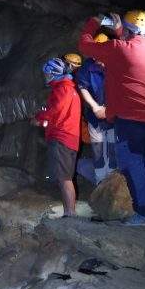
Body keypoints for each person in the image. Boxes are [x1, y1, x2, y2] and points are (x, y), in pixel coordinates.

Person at [79, 10, 145, 226]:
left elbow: (85, 46)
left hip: (131, 119)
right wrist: (120, 31)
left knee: (132, 164)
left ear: (128, 30)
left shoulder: (118, 48)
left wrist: (94, 21)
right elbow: (130, 47)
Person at [32, 58, 82, 217]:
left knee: (64, 178)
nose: (45, 76)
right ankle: (69, 212)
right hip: (69, 136)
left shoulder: (63, 89)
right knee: (66, 177)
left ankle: (70, 213)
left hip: (62, 137)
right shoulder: (70, 89)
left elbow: (55, 109)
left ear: (53, 73)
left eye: (47, 73)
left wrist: (39, 117)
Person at [74, 50, 118, 184]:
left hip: (113, 117)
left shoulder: (116, 64)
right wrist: (95, 107)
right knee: (98, 149)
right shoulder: (87, 68)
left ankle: (111, 177)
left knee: (112, 147)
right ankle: (100, 179)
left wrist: (111, 109)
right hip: (95, 117)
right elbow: (83, 87)